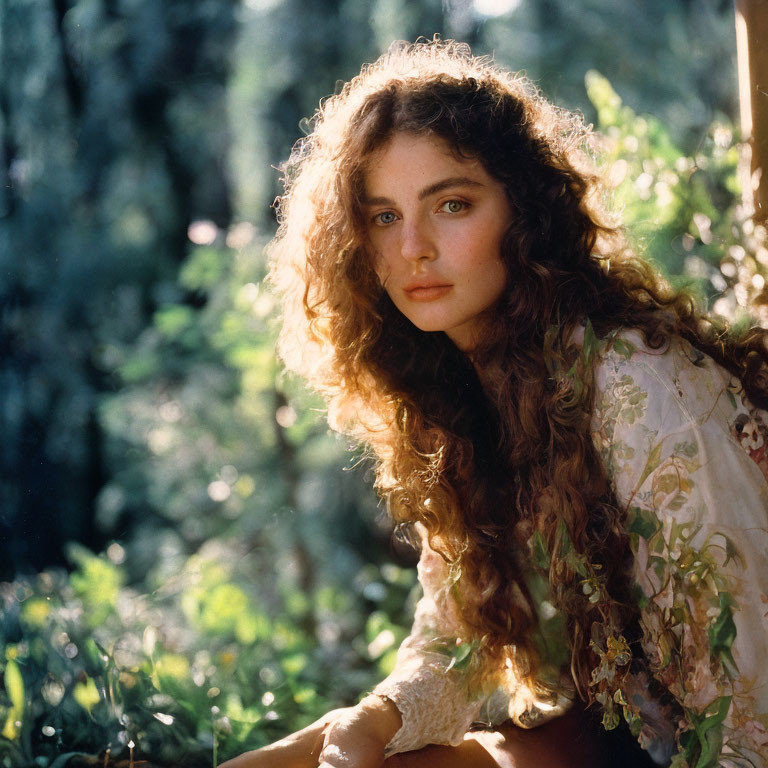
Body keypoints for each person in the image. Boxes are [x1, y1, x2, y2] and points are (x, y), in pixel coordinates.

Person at [221, 38, 768, 768]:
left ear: (525, 211)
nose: (413, 247)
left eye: (451, 204)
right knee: (323, 749)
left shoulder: (642, 388)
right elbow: (458, 642)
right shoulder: (455, 390)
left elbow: (748, 713)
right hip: (611, 744)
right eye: (383, 216)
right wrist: (374, 719)